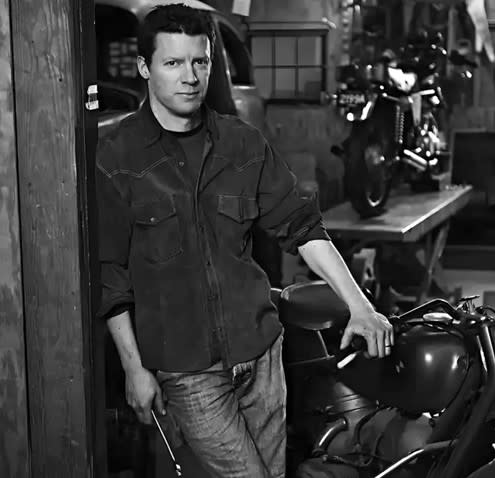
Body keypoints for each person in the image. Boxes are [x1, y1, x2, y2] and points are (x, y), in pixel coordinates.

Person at [95, 4, 393, 478]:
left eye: (200, 61)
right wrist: (133, 368)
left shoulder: (242, 143)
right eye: (173, 63)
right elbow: (109, 276)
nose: (190, 76)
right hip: (186, 368)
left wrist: (360, 305)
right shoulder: (116, 156)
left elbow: (303, 228)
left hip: (262, 353)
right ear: (144, 68)